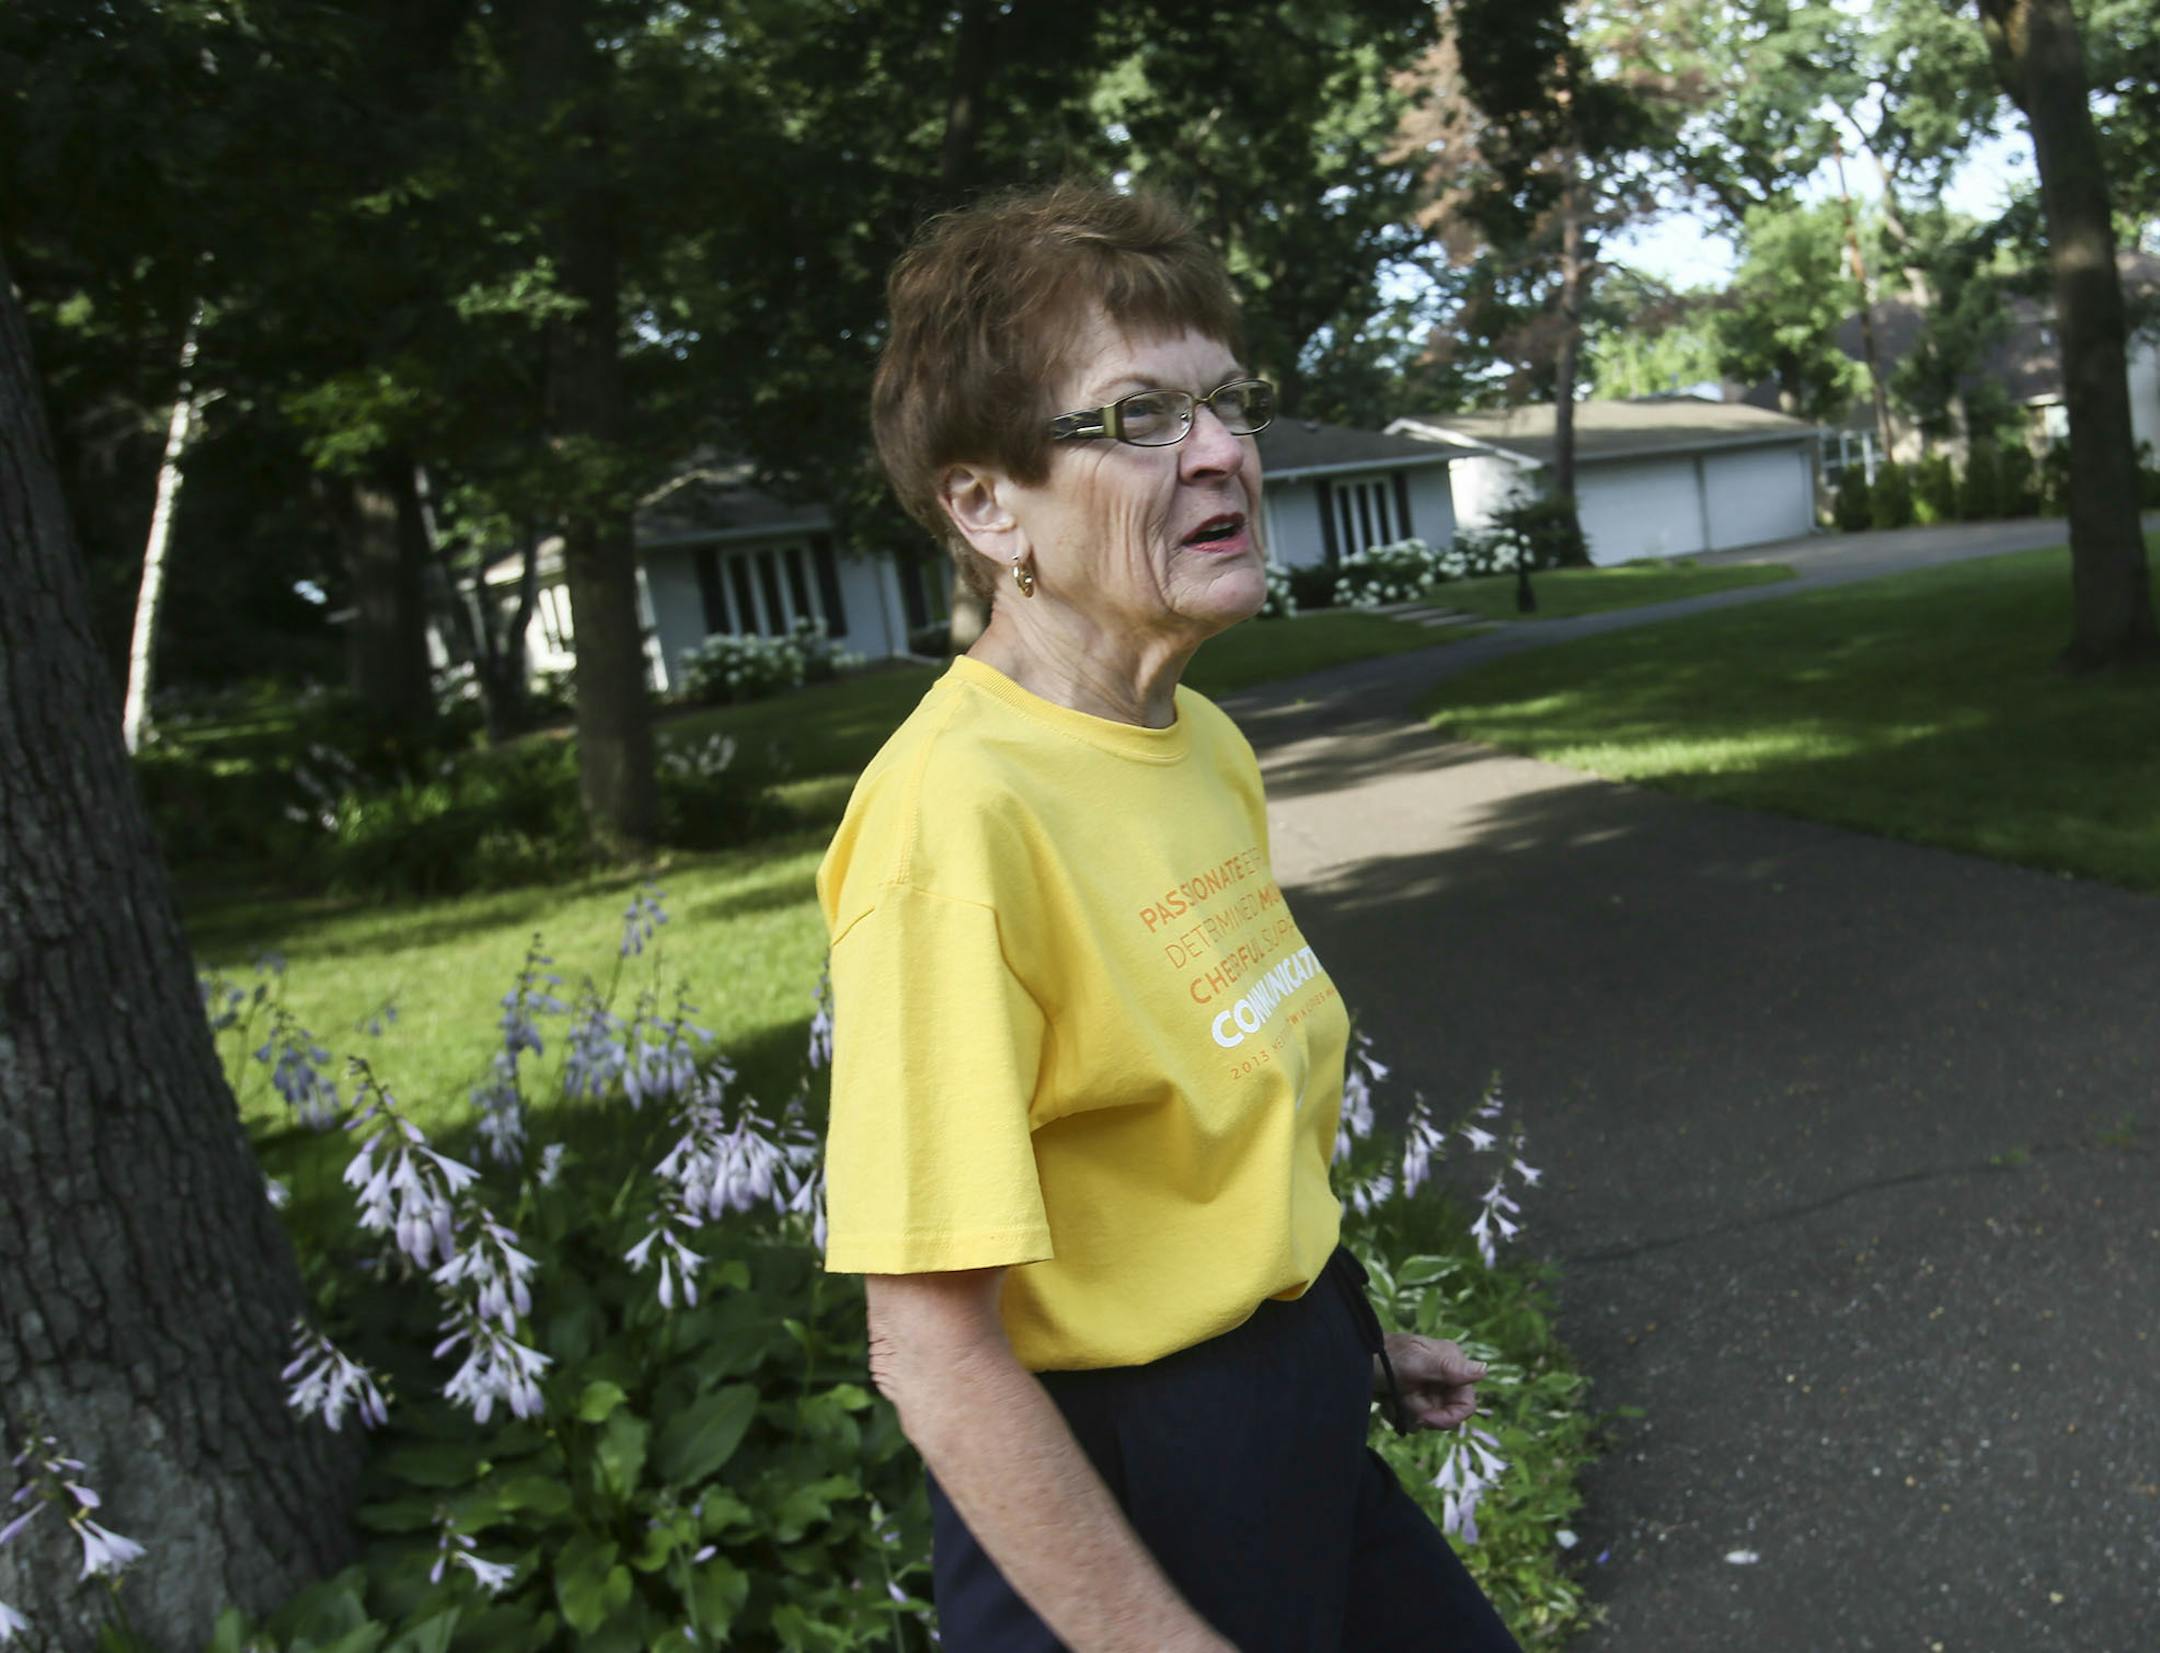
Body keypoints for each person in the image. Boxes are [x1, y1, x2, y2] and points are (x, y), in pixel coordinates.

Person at [816, 180, 1521, 1653]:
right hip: (1115, 1508)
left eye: (1224, 404)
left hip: (1289, 1438)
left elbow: (1194, 1140)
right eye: (1137, 417)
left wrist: (1345, 1351)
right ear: (983, 502)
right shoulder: (954, 819)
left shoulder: (1193, 740)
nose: (1221, 454)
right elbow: (930, 1346)